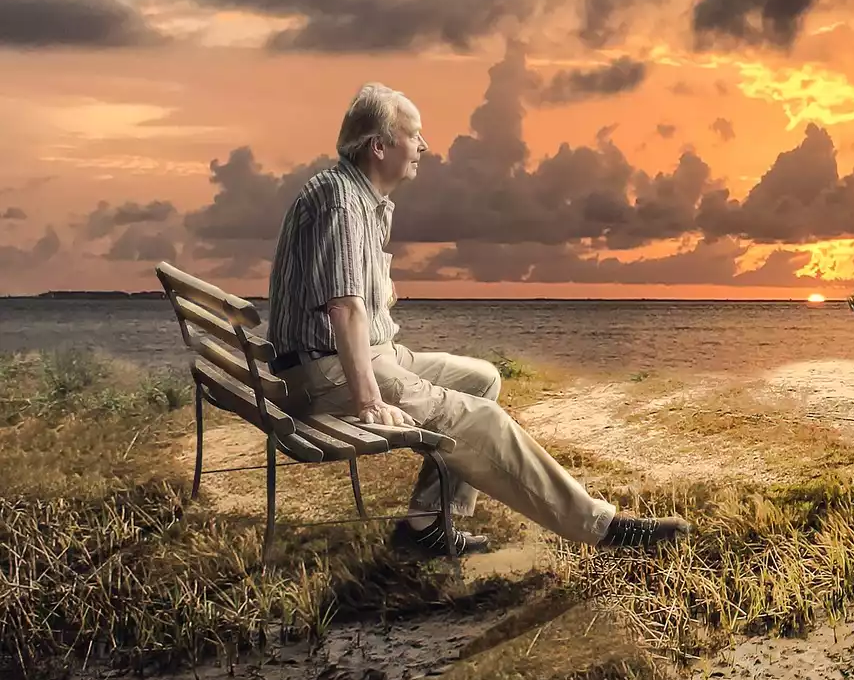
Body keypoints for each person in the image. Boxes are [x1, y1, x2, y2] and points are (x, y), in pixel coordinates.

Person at [265, 81, 689, 557]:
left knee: (482, 379)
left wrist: (379, 291)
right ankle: (601, 527)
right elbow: (344, 308)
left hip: (348, 357)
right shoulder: (342, 203)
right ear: (379, 146)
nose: (424, 146)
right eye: (414, 134)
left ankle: (425, 525)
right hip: (327, 372)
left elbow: (352, 296)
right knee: (481, 420)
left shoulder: (360, 199)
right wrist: (369, 403)